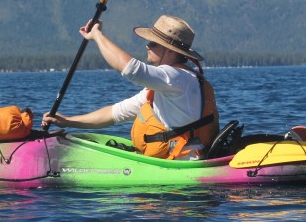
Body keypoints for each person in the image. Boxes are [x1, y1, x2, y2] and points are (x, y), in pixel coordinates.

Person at [43, 15, 219, 160]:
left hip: (182, 170)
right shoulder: (164, 86)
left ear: (171, 51)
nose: (147, 46)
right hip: (175, 163)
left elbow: (132, 70)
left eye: (153, 43)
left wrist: (97, 36)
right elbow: (114, 114)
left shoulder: (176, 77)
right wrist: (67, 121)